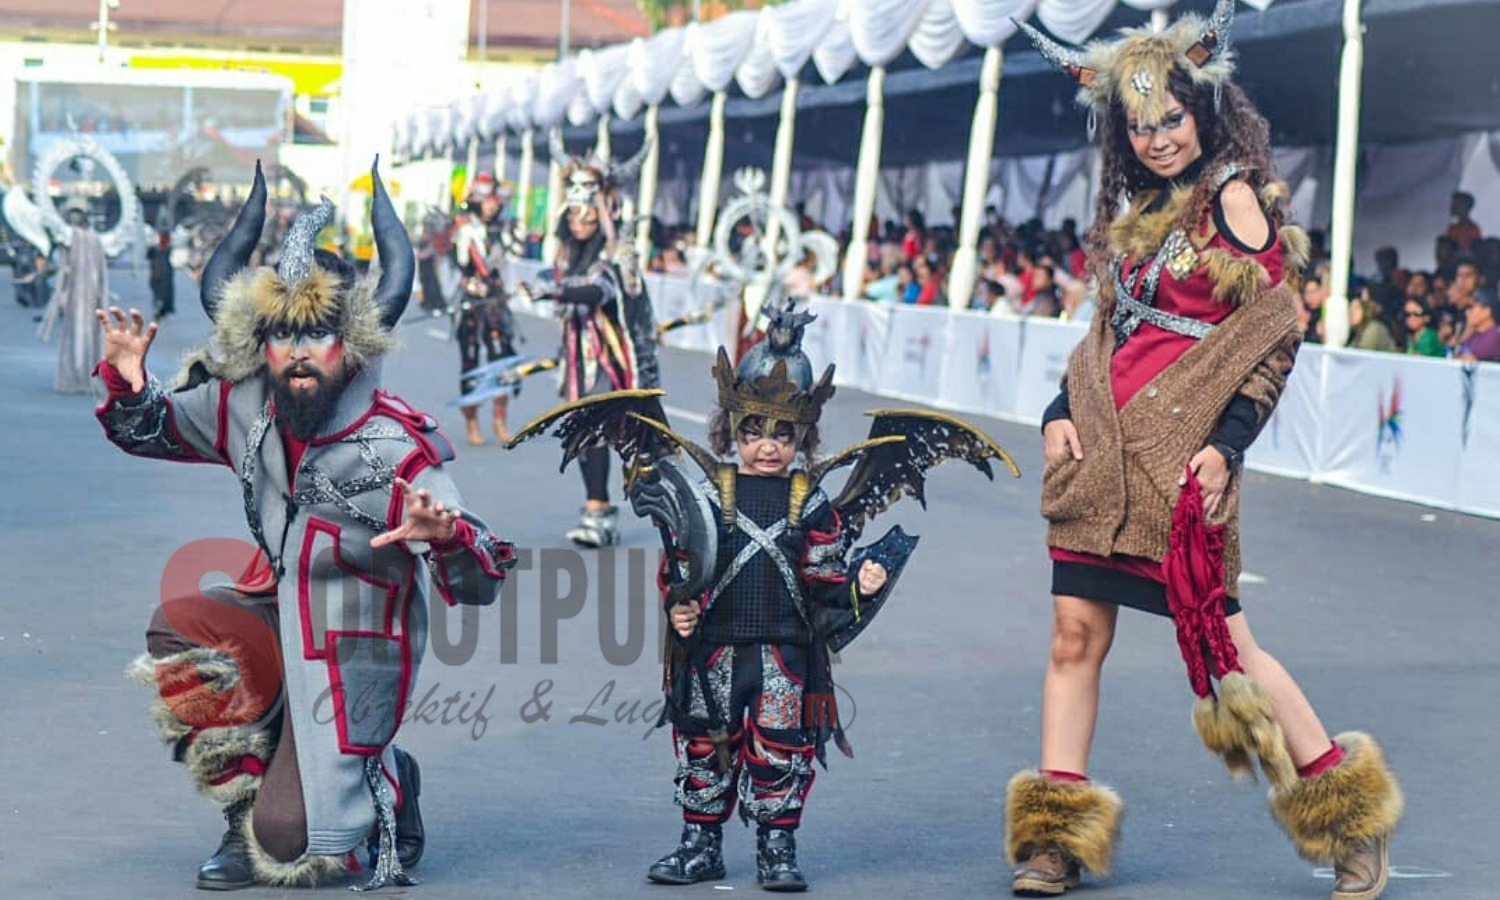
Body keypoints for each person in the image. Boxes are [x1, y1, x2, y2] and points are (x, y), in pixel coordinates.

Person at [1013, 6, 1403, 899]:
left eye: (1171, 119)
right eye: (1140, 125)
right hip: (1099, 453)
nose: (1156, 139)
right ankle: (1053, 840)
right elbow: (1110, 335)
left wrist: (1228, 449)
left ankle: (1349, 821)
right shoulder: (1140, 206)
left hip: (1182, 464)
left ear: (1203, 110)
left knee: (1228, 645)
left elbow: (1274, 335)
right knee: (1075, 637)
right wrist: (1054, 411)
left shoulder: (1233, 196)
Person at [95, 162, 517, 891]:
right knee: (179, 627)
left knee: (294, 843)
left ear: (349, 344)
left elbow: (482, 573)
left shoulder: (394, 445)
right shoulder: (243, 404)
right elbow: (158, 429)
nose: (297, 353)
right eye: (281, 336)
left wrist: (440, 534)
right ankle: (241, 815)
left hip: (347, 652)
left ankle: (387, 779)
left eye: (317, 336)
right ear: (260, 343)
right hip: (273, 612)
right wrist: (132, 382)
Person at [508, 300, 1015, 893]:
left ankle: (777, 847)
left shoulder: (814, 504)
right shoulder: (704, 493)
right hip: (713, 654)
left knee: (781, 750)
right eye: (753, 431)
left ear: (803, 436)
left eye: (783, 434)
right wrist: (677, 605)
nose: (768, 445)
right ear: (732, 429)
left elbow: (826, 587)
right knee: (705, 747)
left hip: (785, 657)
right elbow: (681, 566)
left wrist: (861, 584)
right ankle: (700, 844)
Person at [533, 135, 659, 548]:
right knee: (586, 433)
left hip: (609, 359)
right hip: (578, 357)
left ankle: (626, 509)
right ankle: (597, 509)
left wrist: (556, 293)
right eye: (573, 213)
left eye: (588, 213)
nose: (578, 220)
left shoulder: (618, 251)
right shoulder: (570, 255)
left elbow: (601, 293)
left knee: (608, 432)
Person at [452, 174, 521, 446]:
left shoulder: (502, 228)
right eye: (486, 200)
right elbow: (458, 262)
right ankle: (471, 421)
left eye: (494, 199)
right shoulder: (464, 228)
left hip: (495, 302)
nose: (491, 205)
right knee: (470, 359)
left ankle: (500, 420)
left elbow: (513, 253)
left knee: (501, 359)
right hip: (471, 301)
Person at [39, 198, 109, 395]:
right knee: (76, 333)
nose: (75, 217)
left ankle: (84, 375)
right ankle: (76, 376)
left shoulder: (86, 239)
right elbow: (60, 265)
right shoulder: (76, 239)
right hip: (75, 294)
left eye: (78, 213)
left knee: (89, 332)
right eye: (72, 213)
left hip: (88, 293)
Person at [1457, 290, 1500, 362]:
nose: (1467, 313)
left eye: (1472, 308)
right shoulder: (1472, 335)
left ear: (1487, 311)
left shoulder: (1496, 337)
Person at [147, 227, 176, 319]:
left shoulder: (169, 250)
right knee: (157, 295)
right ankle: (158, 310)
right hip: (157, 276)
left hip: (166, 277)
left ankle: (163, 310)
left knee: (165, 295)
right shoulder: (154, 250)